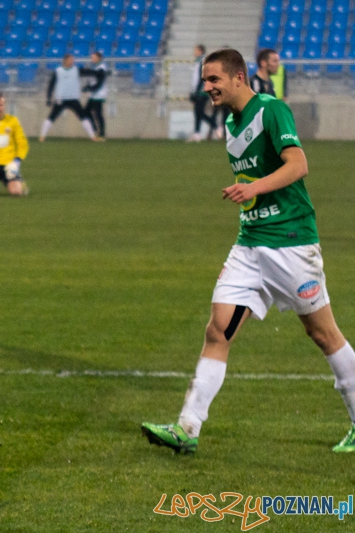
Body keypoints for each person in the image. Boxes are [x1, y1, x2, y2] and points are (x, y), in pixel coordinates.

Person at [141, 48, 355, 455]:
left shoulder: (271, 110)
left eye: (214, 80)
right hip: (250, 243)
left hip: (291, 243)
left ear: (239, 78)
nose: (207, 88)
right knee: (217, 330)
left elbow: (298, 164)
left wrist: (252, 188)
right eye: (205, 81)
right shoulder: (231, 122)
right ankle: (188, 427)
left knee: (323, 333)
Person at [39, 53, 98, 142]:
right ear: (65, 60)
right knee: (51, 117)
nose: (72, 61)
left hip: (73, 99)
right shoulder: (58, 71)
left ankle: (93, 136)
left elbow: (88, 72)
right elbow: (51, 85)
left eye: (73, 60)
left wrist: (98, 73)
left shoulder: (76, 70)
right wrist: (49, 97)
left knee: (83, 116)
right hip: (61, 99)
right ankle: (42, 136)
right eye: (70, 59)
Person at [187, 44, 220, 142]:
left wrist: (197, 90)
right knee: (197, 112)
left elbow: (202, 77)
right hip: (197, 91)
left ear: (200, 51)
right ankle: (197, 133)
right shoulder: (197, 62)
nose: (194, 52)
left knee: (200, 112)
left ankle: (215, 126)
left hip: (202, 91)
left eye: (196, 50)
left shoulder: (203, 62)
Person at [82, 51, 108, 141]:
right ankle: (96, 129)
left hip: (99, 95)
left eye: (93, 57)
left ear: (99, 58)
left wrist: (90, 88)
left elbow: (99, 83)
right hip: (93, 95)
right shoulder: (95, 67)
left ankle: (102, 134)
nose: (92, 59)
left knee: (98, 114)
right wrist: (88, 87)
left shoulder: (101, 68)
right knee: (86, 112)